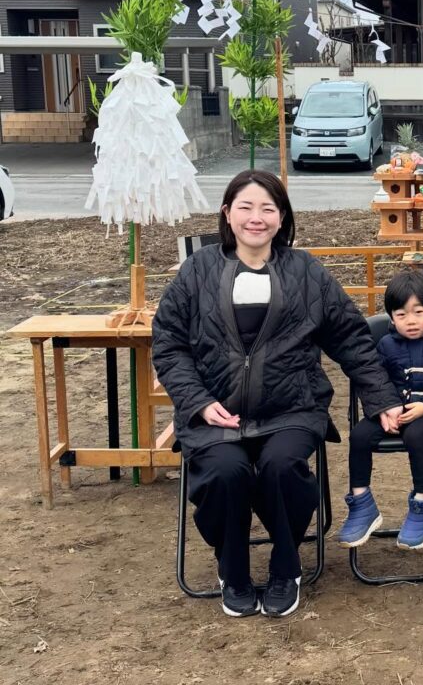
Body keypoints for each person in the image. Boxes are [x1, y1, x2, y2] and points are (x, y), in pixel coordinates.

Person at [152, 170, 402, 619]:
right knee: (225, 474)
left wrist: (381, 398)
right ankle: (233, 569)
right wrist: (197, 401)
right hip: (216, 412)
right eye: (245, 207)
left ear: (282, 216)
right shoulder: (198, 270)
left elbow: (351, 337)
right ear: (227, 214)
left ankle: (287, 567)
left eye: (268, 208)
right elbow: (168, 343)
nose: (256, 217)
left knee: (282, 467)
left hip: (291, 408)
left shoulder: (305, 270)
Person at [337, 269, 423, 551]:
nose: (410, 321)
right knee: (359, 436)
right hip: (393, 412)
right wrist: (385, 409)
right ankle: (361, 503)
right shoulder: (385, 344)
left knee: (416, 436)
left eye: (418, 312)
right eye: (401, 314)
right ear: (391, 317)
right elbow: (376, 381)